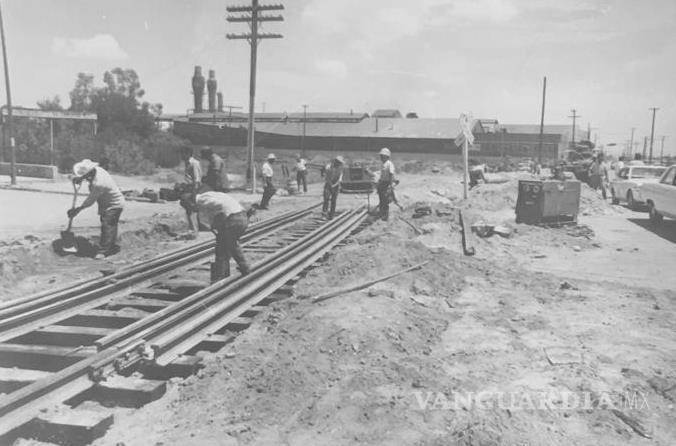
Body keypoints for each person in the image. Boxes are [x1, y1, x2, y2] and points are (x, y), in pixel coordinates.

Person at [68, 159, 125, 259]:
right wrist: (80, 179)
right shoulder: (97, 170)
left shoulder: (99, 183)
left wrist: (77, 210)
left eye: (84, 176)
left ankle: (103, 251)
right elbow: (88, 178)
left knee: (107, 225)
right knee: (111, 225)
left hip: (114, 204)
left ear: (89, 172)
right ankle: (111, 247)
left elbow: (90, 200)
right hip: (110, 203)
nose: (84, 178)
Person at [196, 187, 251, 282]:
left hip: (233, 218)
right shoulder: (213, 194)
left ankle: (221, 277)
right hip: (242, 217)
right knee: (229, 244)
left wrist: (215, 224)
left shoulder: (202, 200)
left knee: (223, 247)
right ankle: (229, 272)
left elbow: (219, 208)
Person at [180, 146, 202, 233]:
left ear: (188, 154)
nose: (181, 155)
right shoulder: (187, 163)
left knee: (192, 209)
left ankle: (194, 230)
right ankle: (192, 229)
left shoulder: (194, 163)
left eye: (183, 153)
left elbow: (196, 179)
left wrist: (194, 193)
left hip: (193, 189)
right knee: (188, 209)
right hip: (189, 188)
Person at [377, 147, 395, 221]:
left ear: (386, 156)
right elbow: (382, 175)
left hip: (387, 183)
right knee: (381, 199)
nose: (381, 157)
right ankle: (381, 214)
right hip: (382, 183)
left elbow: (391, 174)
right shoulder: (383, 164)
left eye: (382, 156)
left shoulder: (389, 164)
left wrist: (390, 185)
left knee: (385, 200)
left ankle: (385, 216)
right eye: (380, 156)